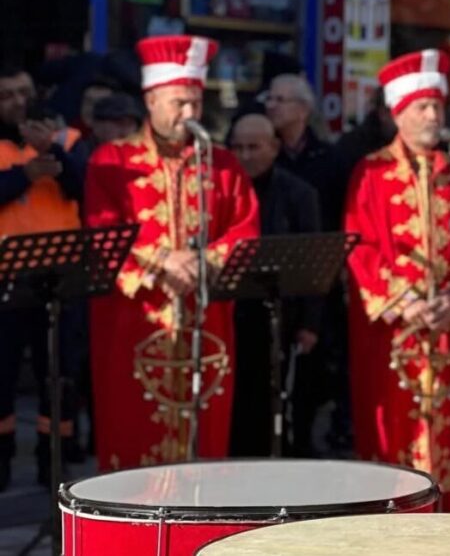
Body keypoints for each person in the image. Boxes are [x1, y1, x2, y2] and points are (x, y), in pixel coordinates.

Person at [84, 35, 259, 470]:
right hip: (136, 323)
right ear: (151, 99)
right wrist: (163, 261)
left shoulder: (223, 164)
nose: (189, 114)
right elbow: (101, 231)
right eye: (179, 103)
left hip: (206, 325)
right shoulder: (112, 159)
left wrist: (203, 261)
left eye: (196, 103)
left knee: (203, 444)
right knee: (133, 434)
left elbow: (246, 227)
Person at [345, 49, 450, 512]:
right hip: (394, 335)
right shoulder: (370, 174)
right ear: (398, 114)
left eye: (438, 107)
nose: (434, 116)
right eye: (423, 108)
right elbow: (359, 247)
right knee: (394, 436)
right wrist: (404, 302)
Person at [0, 97, 86, 490]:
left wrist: (52, 151)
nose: (15, 104)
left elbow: (84, 184)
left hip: (59, 279)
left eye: (21, 94)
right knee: (2, 374)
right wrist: (25, 174)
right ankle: (1, 462)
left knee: (58, 373)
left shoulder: (68, 139)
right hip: (7, 280)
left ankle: (53, 460)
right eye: (6, 96)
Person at [264, 72, 350, 453]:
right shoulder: (263, 153)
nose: (271, 106)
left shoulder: (329, 159)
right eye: (270, 99)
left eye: (280, 99)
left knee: (311, 378)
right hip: (268, 280)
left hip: (315, 281)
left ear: (303, 109)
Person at [228, 113, 323, 456]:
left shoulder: (299, 193)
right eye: (238, 147)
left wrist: (311, 324)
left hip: (283, 318)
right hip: (233, 316)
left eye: (254, 147)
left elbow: (315, 262)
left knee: (280, 407)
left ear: (274, 147)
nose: (246, 155)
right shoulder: (225, 189)